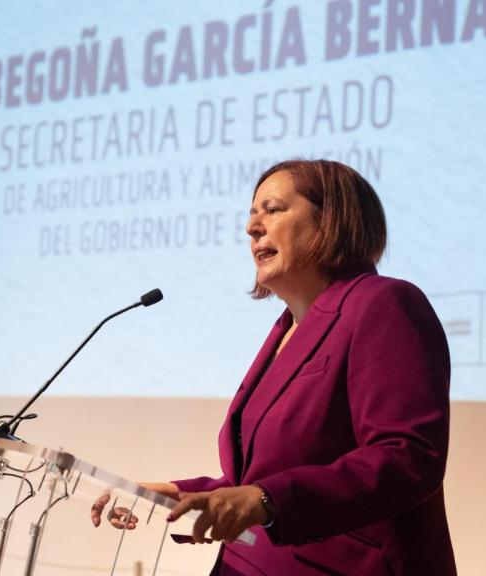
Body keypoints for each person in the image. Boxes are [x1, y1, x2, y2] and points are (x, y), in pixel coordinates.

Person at [93, 159, 456, 575]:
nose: (252, 228)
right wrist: (174, 495)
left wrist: (268, 500)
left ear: (331, 221)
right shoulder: (287, 328)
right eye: (252, 215)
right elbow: (259, 480)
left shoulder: (383, 304)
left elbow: (408, 457)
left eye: (273, 210)